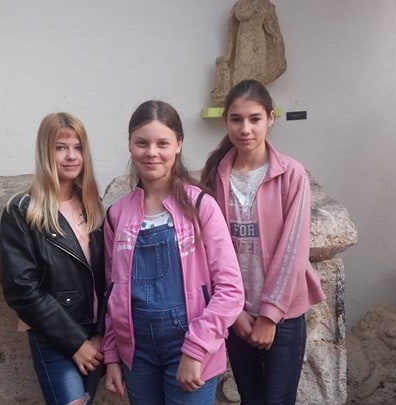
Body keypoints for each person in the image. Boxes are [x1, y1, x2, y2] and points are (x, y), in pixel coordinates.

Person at [102, 100, 244, 404]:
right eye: (142, 143)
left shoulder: (200, 207)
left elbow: (231, 289)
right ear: (130, 144)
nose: (151, 152)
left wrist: (196, 348)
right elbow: (112, 291)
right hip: (136, 352)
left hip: (190, 347)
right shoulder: (116, 215)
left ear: (178, 144)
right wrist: (112, 354)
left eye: (162, 143)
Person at [200, 79, 327, 405]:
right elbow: (211, 252)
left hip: (283, 316)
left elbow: (293, 251)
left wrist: (270, 316)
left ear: (270, 119)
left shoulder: (292, 175)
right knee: (251, 399)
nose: (245, 129)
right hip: (237, 314)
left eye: (254, 118)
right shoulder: (215, 177)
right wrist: (235, 312)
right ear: (226, 121)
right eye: (236, 119)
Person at [0, 112, 105, 405]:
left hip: (94, 335)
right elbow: (21, 290)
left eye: (78, 147)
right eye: (60, 148)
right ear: (45, 152)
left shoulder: (92, 205)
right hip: (54, 336)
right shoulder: (22, 211)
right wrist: (76, 343)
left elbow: (107, 275)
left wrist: (100, 334)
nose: (71, 156)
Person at [210, 0, 286, 106]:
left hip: (258, 40)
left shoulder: (264, 3)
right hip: (244, 39)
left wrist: (278, 45)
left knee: (257, 68)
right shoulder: (241, 4)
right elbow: (240, 15)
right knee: (242, 66)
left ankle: (255, 96)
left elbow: (271, 25)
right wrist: (252, 7)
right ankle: (240, 97)